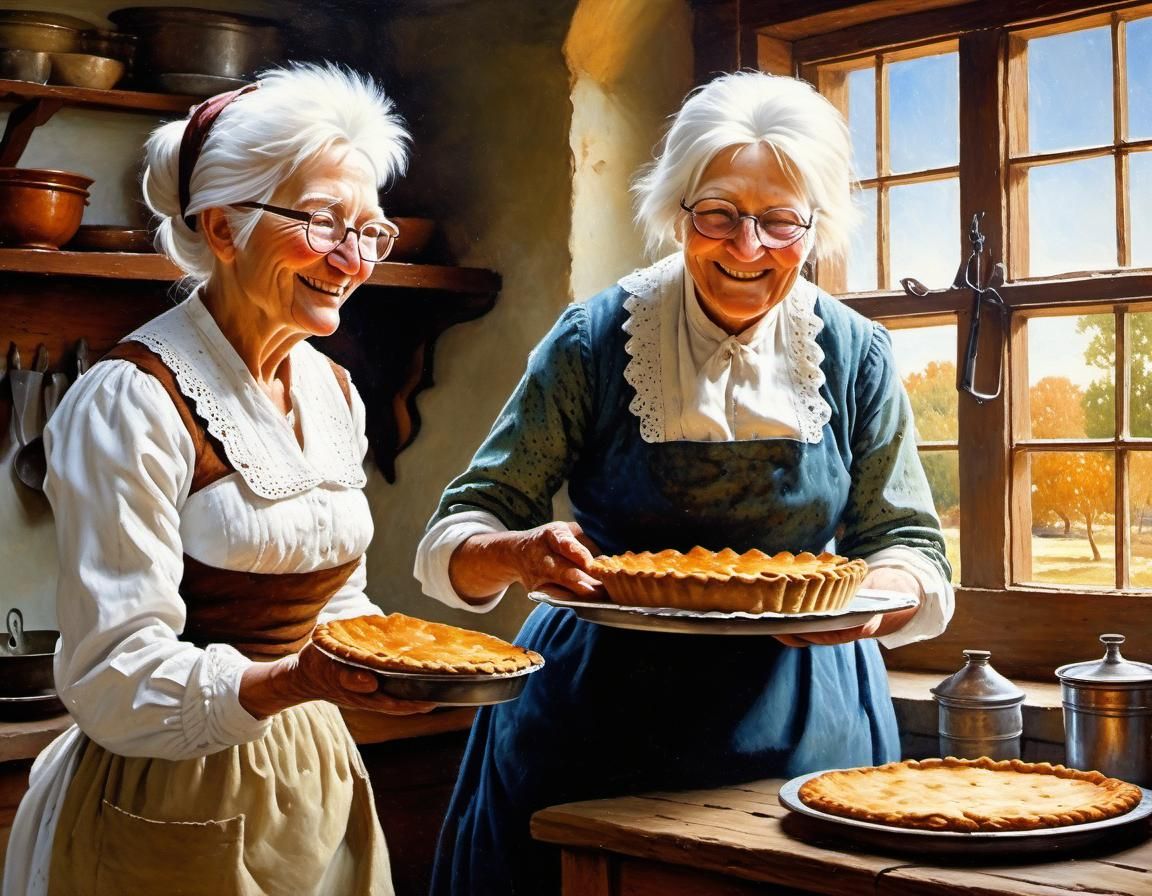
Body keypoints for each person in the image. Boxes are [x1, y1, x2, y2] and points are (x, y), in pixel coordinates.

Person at [415, 71, 955, 895]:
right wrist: (520, 552)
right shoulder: (594, 341)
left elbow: (907, 543)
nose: (748, 249)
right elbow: (461, 529)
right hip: (596, 723)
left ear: (815, 229)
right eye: (719, 215)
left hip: (809, 723)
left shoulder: (855, 355)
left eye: (780, 221)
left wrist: (873, 596)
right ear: (677, 214)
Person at [3, 63, 432, 896]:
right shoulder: (131, 400)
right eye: (321, 224)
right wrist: (290, 680)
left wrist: (397, 660)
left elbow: (333, 602)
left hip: (314, 776)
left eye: (371, 231)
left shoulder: (333, 391)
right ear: (223, 227)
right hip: (169, 792)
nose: (352, 260)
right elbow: (111, 674)